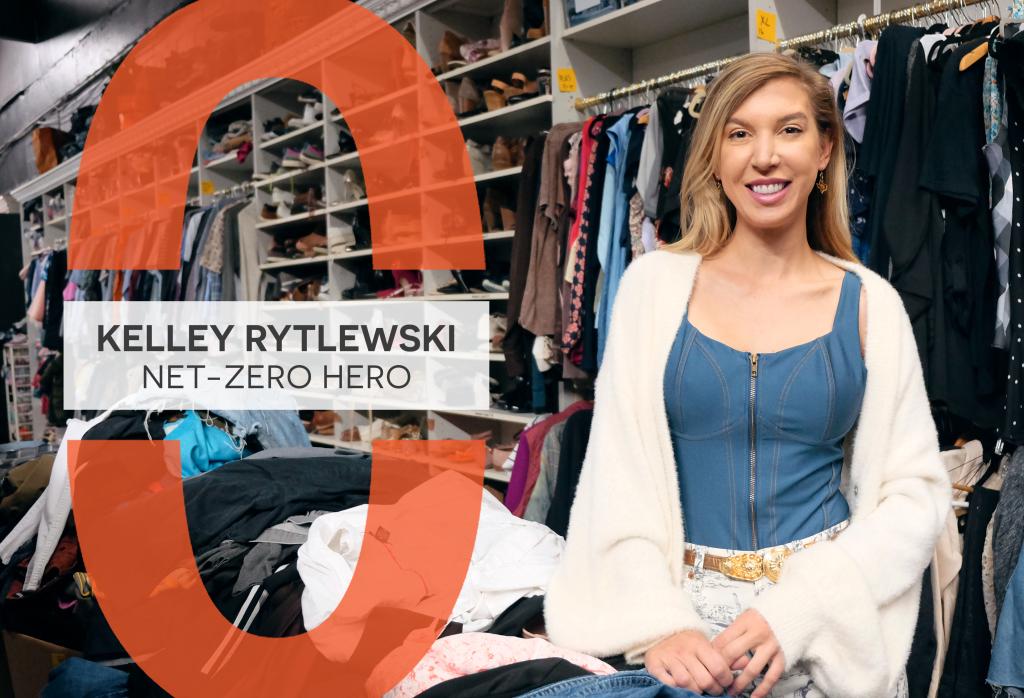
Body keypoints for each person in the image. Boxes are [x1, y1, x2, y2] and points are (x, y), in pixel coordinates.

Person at [543, 53, 950, 698]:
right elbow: (614, 474)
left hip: (828, 633)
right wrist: (657, 626)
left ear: (824, 150)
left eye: (789, 130)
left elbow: (915, 496)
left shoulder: (872, 302)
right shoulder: (652, 288)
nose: (765, 157)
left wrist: (802, 611)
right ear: (715, 156)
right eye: (739, 133)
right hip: (683, 635)